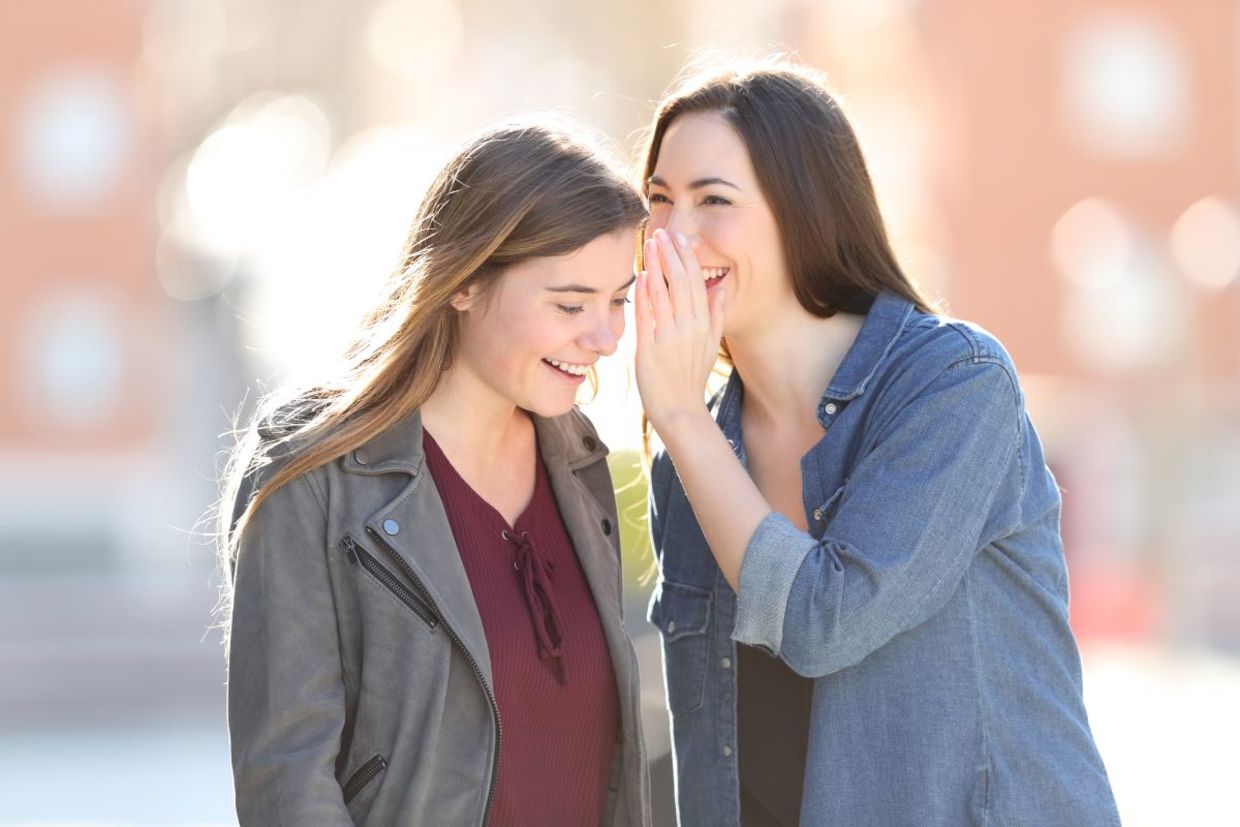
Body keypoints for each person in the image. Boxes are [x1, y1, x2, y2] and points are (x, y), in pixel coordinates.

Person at [632, 60, 1121, 826]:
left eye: (712, 201)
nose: (672, 236)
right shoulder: (687, 460)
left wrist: (683, 421)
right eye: (657, 200)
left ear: (805, 212)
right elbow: (705, 745)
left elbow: (827, 621)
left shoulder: (953, 385)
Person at [216, 120, 651, 826]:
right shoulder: (314, 474)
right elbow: (287, 783)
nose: (604, 338)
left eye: (618, 301)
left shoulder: (578, 458)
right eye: (571, 304)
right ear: (464, 285)